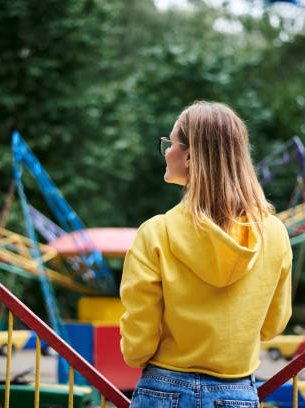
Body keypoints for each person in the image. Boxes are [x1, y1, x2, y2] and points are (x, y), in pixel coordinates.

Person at [119, 101, 292, 407]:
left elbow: (138, 347)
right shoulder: (274, 234)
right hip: (236, 393)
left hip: (163, 390)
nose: (166, 151)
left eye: (169, 143)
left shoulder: (156, 233)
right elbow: (272, 326)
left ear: (188, 156)